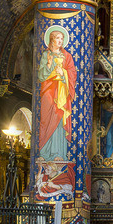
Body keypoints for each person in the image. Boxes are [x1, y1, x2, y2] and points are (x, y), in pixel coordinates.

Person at [37, 27, 77, 161]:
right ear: (51, 40)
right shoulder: (46, 55)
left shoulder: (67, 56)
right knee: (46, 119)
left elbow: (72, 73)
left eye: (62, 38)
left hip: (61, 93)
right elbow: (41, 75)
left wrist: (63, 74)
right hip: (48, 91)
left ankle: (58, 153)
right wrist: (49, 66)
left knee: (59, 118)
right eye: (57, 38)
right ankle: (44, 152)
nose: (60, 41)